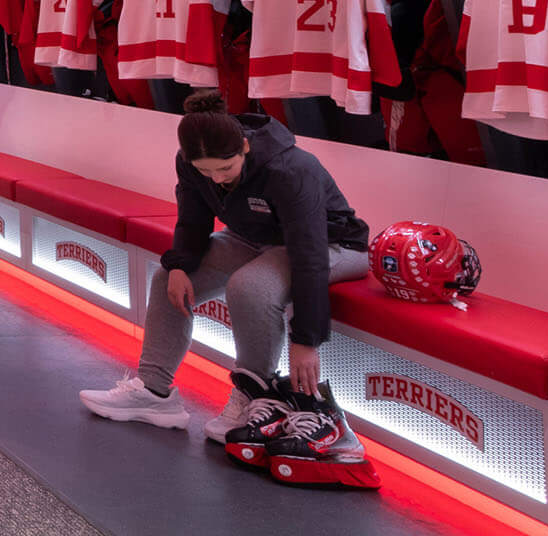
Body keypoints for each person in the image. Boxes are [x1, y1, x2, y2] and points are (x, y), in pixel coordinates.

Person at [80, 90, 371, 437]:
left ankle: (254, 397)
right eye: (206, 171)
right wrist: (179, 266)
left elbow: (307, 252)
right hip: (254, 238)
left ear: (244, 148)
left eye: (225, 168)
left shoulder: (291, 169)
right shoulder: (190, 163)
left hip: (331, 244)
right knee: (165, 279)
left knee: (249, 287)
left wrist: (306, 339)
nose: (217, 178)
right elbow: (193, 220)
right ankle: (154, 392)